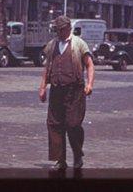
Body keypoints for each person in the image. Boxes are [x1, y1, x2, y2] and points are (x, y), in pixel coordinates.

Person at [38, 15, 95, 172]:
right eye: (57, 30)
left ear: (69, 28)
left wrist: (90, 84)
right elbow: (47, 68)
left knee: (73, 124)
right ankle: (60, 160)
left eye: (62, 29)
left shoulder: (78, 44)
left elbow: (89, 65)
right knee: (54, 124)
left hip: (75, 91)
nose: (59, 32)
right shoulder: (52, 45)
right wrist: (42, 88)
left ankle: (78, 155)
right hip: (57, 90)